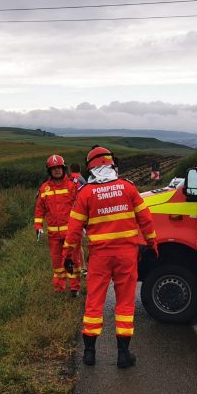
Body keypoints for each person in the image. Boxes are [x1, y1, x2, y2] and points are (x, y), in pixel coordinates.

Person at [63, 146, 157, 368]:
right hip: (126, 256)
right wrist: (152, 244)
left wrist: (68, 254)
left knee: (94, 301)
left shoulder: (85, 193)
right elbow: (146, 219)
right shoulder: (128, 188)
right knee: (125, 303)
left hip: (99, 257)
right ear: (112, 164)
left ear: (90, 168)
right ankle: (123, 355)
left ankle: (89, 353)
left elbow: (74, 228)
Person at [34, 154, 81, 296]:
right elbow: (39, 210)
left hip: (71, 233)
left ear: (63, 168)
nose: (57, 170)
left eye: (59, 167)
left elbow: (80, 207)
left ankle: (74, 288)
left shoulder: (72, 186)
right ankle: (59, 288)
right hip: (53, 235)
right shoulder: (44, 188)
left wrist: (83, 226)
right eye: (53, 168)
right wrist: (38, 227)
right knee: (57, 263)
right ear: (49, 171)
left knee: (73, 260)